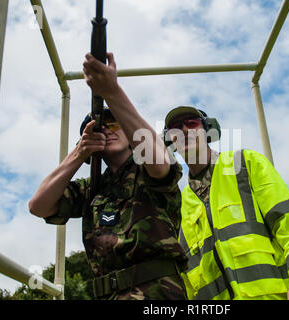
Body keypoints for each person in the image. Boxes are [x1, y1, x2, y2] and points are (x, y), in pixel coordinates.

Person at [29, 52, 188, 300]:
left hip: (158, 293)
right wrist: (79, 153)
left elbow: (158, 161)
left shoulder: (146, 168)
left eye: (114, 124)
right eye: (99, 128)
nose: (108, 130)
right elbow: (38, 205)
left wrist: (112, 92)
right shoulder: (92, 188)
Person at [163, 106, 289, 300]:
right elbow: (188, 278)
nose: (184, 130)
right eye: (175, 128)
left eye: (192, 123)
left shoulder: (245, 163)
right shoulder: (180, 205)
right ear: (170, 140)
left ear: (208, 130)